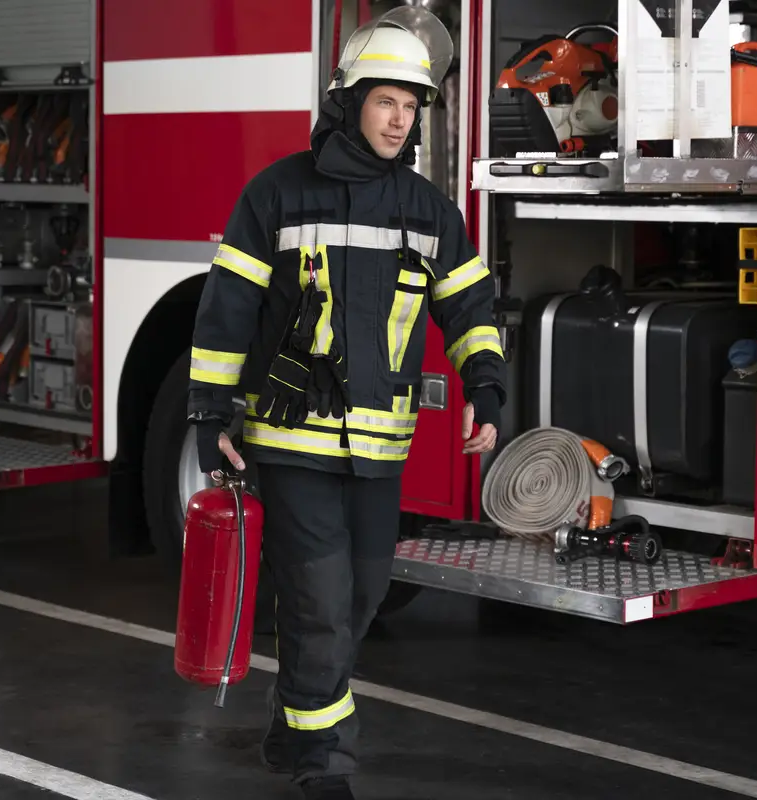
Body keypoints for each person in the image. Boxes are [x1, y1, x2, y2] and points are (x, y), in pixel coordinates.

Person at [185, 8, 506, 799]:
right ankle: (327, 767)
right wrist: (206, 414)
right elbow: (225, 314)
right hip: (291, 442)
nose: (400, 121)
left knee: (358, 601)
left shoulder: (430, 211)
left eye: (412, 106)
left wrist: (488, 388)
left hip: (377, 454)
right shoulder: (275, 196)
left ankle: (293, 724)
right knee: (323, 604)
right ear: (349, 102)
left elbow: (469, 308)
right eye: (386, 101)